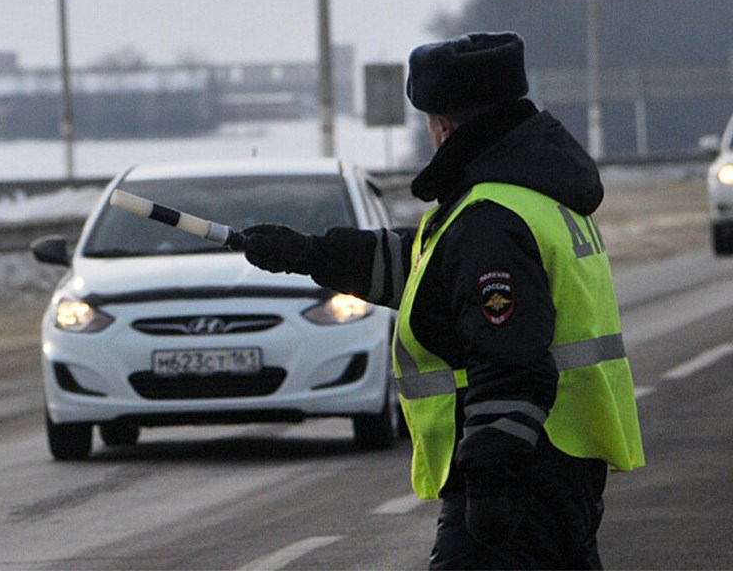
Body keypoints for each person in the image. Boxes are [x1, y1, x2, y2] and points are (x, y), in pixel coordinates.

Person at [241, 32, 645, 569]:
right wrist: (309, 254)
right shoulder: (530, 195)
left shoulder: (489, 219)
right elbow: (429, 275)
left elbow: (510, 358)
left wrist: (491, 481)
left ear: (445, 126)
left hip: (518, 473)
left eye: (430, 122)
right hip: (558, 463)